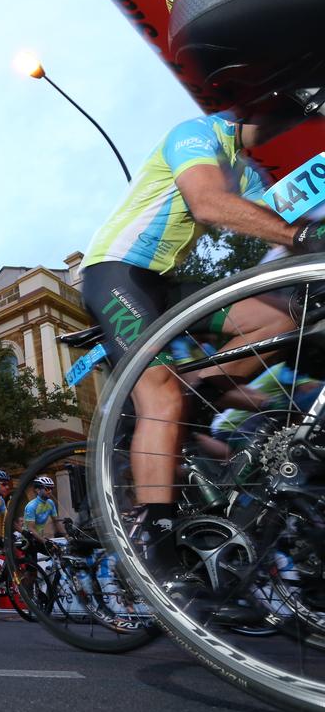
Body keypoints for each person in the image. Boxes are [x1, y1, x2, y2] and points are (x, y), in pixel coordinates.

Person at [80, 101, 325, 576]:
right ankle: (156, 543)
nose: (291, 123)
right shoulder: (195, 133)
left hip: (167, 283)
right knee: (163, 395)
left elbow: (272, 213)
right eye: (289, 111)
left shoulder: (241, 167)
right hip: (116, 273)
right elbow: (209, 204)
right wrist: (299, 238)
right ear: (257, 106)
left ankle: (198, 397)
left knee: (281, 319)